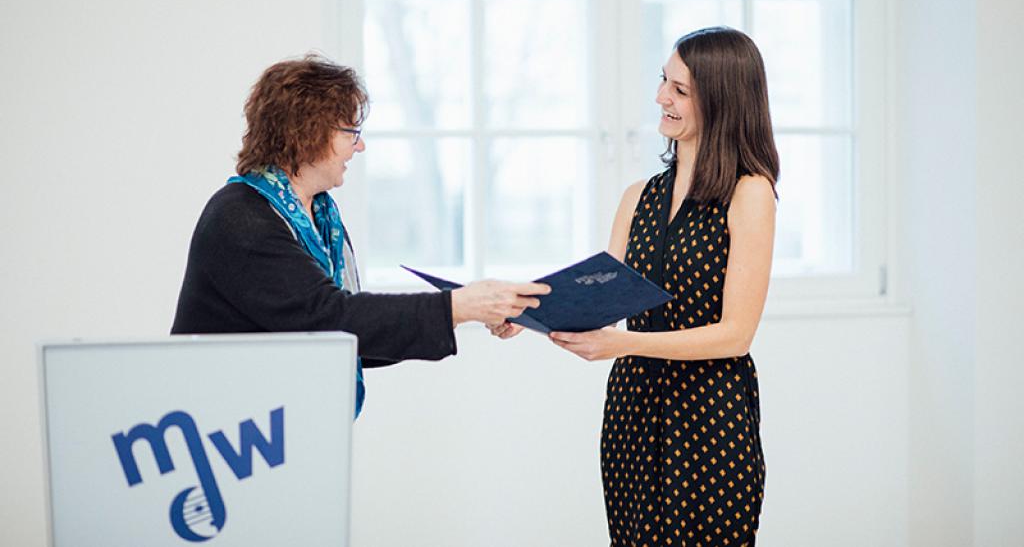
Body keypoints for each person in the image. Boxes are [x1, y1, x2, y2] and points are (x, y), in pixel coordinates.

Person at [171, 54, 549, 417]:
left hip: (275, 424)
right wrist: (458, 306)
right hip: (217, 433)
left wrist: (468, 311)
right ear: (307, 133)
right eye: (351, 132)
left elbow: (354, 334)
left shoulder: (320, 218)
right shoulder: (240, 216)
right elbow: (328, 319)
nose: (360, 145)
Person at [551, 27, 778, 546]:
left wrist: (623, 343)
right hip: (633, 413)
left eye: (680, 90)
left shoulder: (750, 193)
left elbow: (735, 335)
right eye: (663, 81)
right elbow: (597, 301)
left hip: (710, 418)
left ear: (721, 100)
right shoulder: (638, 197)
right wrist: (522, 312)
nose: (660, 98)